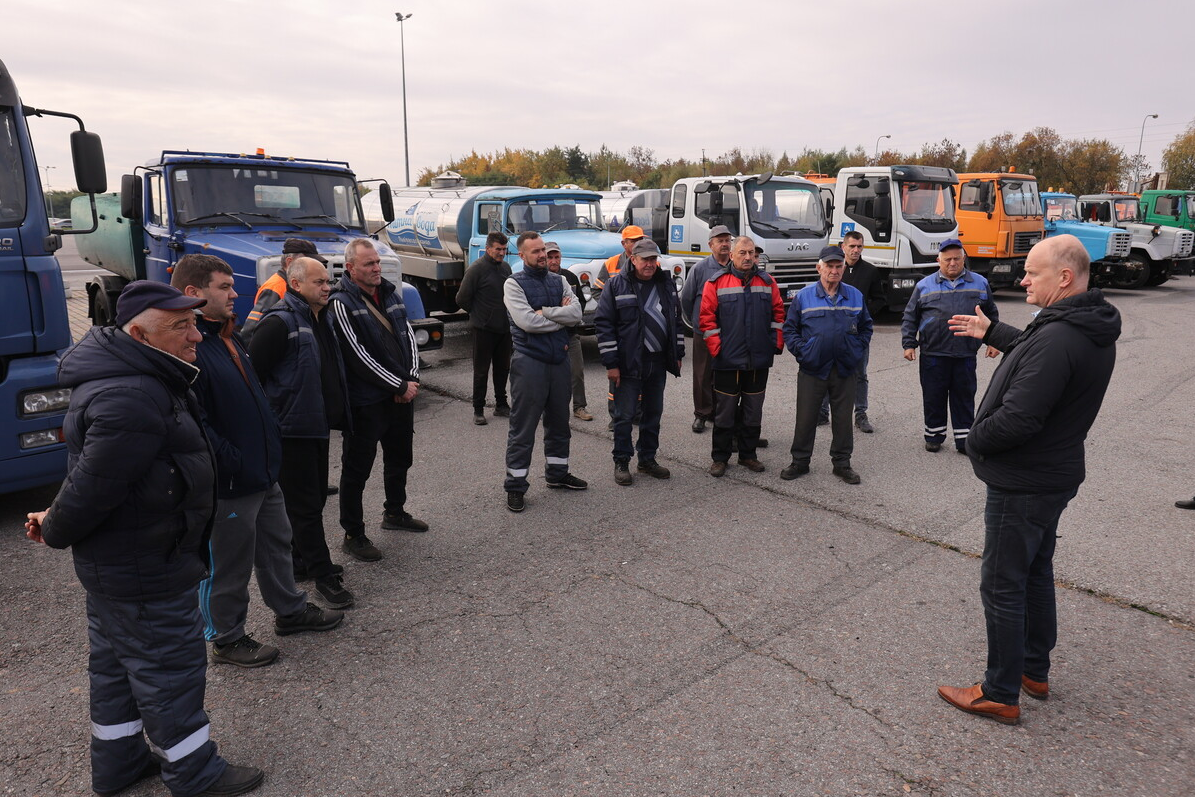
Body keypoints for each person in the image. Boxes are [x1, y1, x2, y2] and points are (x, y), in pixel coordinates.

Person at [26, 281, 263, 797]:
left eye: (194, 322)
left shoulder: (141, 377)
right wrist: (57, 527)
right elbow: (94, 486)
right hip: (146, 568)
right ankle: (195, 773)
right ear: (139, 333)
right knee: (170, 673)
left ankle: (120, 762)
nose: (195, 335)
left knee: (115, 672)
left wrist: (55, 517)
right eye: (179, 326)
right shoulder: (132, 395)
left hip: (123, 566)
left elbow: (98, 475)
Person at [938, 234, 1120, 725]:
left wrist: (974, 440)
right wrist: (992, 331)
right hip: (1052, 474)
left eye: (1032, 272)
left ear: (1064, 278)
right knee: (1035, 572)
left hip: (1025, 483)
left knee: (1002, 585)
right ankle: (1033, 670)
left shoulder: (1062, 334)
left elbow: (1019, 418)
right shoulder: (1077, 323)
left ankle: (1000, 691)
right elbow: (1034, 351)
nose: (1022, 279)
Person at [171, 254, 343, 669]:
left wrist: (267, 452)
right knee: (228, 562)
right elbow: (193, 419)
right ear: (193, 293)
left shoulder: (228, 334)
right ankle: (227, 637)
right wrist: (231, 461)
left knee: (276, 545)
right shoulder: (188, 345)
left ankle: (290, 611)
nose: (236, 294)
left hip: (262, 470)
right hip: (230, 478)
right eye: (224, 287)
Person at [249, 257, 355, 610]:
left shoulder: (318, 318)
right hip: (292, 431)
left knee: (312, 502)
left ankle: (300, 562)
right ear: (296, 285)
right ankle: (324, 576)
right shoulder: (279, 323)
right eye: (320, 282)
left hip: (315, 428)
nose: (328, 287)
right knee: (307, 506)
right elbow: (253, 378)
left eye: (328, 281)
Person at [329, 238, 429, 558]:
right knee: (357, 469)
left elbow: (408, 337)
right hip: (366, 402)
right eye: (368, 264)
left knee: (400, 457)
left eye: (377, 262)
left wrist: (411, 379)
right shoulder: (341, 303)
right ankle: (353, 534)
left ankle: (394, 513)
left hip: (399, 395)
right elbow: (357, 356)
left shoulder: (390, 293)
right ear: (350, 268)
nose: (376, 268)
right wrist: (398, 386)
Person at [502, 231, 587, 511]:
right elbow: (526, 322)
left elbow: (576, 314)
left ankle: (557, 474)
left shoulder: (560, 280)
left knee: (560, 423)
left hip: (559, 362)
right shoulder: (513, 284)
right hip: (530, 364)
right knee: (523, 428)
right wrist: (559, 318)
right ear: (522, 255)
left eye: (545, 251)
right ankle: (515, 486)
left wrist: (546, 312)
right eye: (536, 252)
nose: (542, 256)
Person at [595, 238, 685, 485]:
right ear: (632, 259)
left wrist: (677, 354)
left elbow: (675, 320)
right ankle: (622, 461)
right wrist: (611, 363)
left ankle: (647, 459)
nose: (649, 264)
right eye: (644, 259)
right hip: (628, 363)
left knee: (653, 414)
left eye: (653, 259)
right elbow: (604, 325)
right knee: (624, 416)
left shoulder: (666, 284)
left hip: (657, 361)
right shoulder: (615, 286)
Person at [781, 245, 873, 484]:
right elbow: (790, 329)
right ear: (818, 267)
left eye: (838, 266)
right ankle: (800, 462)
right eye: (829, 266)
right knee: (806, 418)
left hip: (844, 368)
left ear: (843, 267)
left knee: (843, 419)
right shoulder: (803, 296)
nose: (834, 271)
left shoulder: (855, 295)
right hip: (813, 368)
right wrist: (804, 352)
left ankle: (842, 464)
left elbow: (866, 327)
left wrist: (855, 351)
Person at [901, 238, 999, 454]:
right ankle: (934, 436)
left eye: (957, 258)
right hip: (933, 354)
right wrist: (909, 343)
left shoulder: (980, 283)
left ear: (964, 258)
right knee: (933, 395)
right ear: (939, 260)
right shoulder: (923, 286)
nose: (952, 263)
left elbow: (990, 314)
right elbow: (910, 316)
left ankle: (964, 440)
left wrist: (994, 340)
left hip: (965, 353)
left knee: (964, 396)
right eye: (947, 259)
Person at [698, 235, 784, 476]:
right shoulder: (715, 283)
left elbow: (778, 314)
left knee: (753, 410)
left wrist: (774, 344)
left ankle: (748, 455)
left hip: (758, 360)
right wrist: (718, 350)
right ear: (732, 255)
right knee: (724, 412)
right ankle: (720, 458)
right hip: (727, 361)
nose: (748, 257)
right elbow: (706, 319)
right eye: (743, 253)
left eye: (752, 253)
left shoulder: (768, 282)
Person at [819, 230, 885, 432]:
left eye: (859, 246)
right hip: (831, 332)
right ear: (843, 247)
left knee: (860, 374)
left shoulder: (871, 271)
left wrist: (862, 314)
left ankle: (860, 414)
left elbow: (880, 299)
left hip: (856, 334)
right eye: (852, 246)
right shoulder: (833, 269)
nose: (856, 250)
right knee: (827, 370)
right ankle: (822, 413)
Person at [455, 231, 513, 425]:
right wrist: (479, 315)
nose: (502, 253)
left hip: (504, 329)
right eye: (498, 249)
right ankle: (478, 409)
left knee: (502, 368)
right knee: (481, 371)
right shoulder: (476, 269)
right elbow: (461, 298)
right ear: (488, 249)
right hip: (483, 329)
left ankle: (501, 405)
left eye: (504, 249)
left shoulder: (506, 268)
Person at [680, 225, 732, 434]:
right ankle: (701, 413)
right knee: (702, 374)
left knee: (725, 373)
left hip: (730, 332)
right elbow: (686, 299)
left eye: (727, 240)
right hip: (704, 331)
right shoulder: (700, 269)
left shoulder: (735, 266)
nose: (725, 244)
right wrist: (696, 323)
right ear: (710, 245)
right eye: (720, 241)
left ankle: (721, 412)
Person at [240, 237, 327, 344]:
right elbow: (251, 332)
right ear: (289, 262)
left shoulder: (293, 286)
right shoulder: (274, 288)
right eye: (306, 262)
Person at [545, 240, 592, 421]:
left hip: (571, 334)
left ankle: (579, 407)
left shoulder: (571, 278)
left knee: (577, 372)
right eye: (550, 257)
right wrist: (563, 310)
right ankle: (549, 409)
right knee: (550, 375)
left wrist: (569, 310)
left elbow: (580, 302)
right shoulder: (540, 280)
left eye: (556, 257)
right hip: (549, 334)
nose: (554, 261)